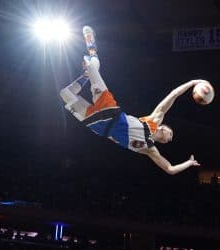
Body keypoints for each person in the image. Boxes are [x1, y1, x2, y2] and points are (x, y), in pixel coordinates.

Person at [59, 25, 201, 174]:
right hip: (109, 111)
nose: (170, 139)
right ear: (163, 128)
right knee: (91, 66)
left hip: (99, 126)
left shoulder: (150, 149)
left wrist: (189, 163)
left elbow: (170, 169)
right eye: (170, 134)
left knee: (65, 93)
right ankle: (92, 49)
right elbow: (173, 95)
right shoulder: (153, 121)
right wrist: (192, 83)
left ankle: (87, 75)